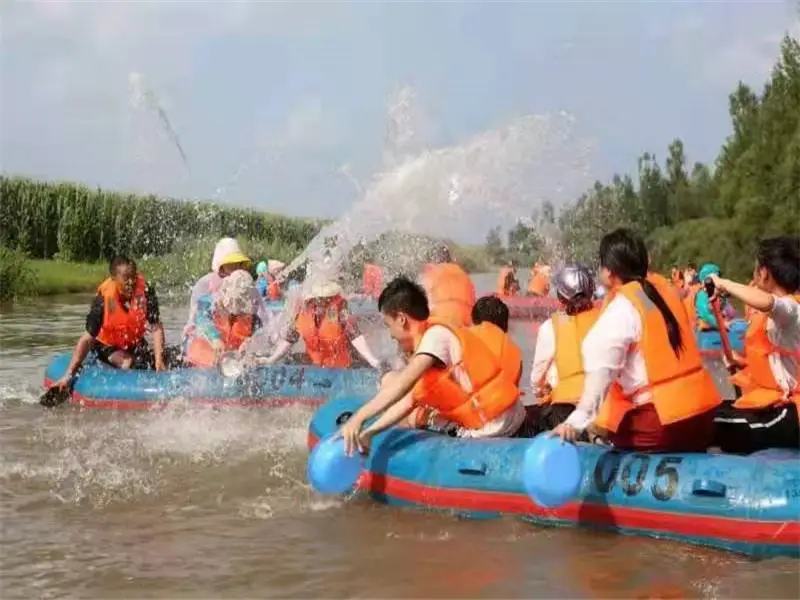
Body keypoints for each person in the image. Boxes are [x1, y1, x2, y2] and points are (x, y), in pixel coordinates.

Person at [551, 229, 721, 452]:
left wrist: (573, 423)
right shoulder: (665, 292)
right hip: (702, 418)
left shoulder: (621, 309)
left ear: (609, 272)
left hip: (662, 426)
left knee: (601, 425)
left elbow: (600, 378)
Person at [339, 277, 526, 454]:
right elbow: (408, 402)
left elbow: (404, 382)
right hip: (498, 417)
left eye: (388, 325)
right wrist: (370, 432)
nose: (390, 334)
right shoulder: (429, 337)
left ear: (401, 319)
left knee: (408, 401)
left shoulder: (436, 338)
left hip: (494, 426)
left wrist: (359, 418)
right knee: (412, 409)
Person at [711, 236, 800, 453]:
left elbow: (769, 303)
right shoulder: (783, 316)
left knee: (713, 425)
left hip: (791, 413)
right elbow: (781, 365)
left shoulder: (791, 309)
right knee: (710, 411)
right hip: (778, 404)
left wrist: (724, 284)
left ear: (765, 274)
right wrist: (738, 362)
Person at [48, 256, 169, 390]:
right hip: (106, 344)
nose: (131, 282)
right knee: (128, 363)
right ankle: (105, 367)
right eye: (126, 278)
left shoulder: (145, 292)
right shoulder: (103, 301)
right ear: (114, 278)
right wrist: (68, 375)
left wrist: (159, 360)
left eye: (133, 277)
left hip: (133, 341)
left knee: (153, 361)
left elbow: (156, 326)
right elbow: (87, 339)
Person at [530, 265, 601, 433]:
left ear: (560, 298)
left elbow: (536, 380)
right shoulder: (606, 317)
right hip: (603, 408)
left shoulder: (550, 327)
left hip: (565, 410)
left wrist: (543, 393)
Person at [262, 278, 382, 369]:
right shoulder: (303, 313)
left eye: (327, 298)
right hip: (315, 366)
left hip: (340, 366)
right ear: (311, 299)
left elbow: (355, 336)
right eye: (318, 299)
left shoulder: (339, 312)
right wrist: (271, 359)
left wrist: (373, 360)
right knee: (294, 358)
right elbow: (289, 339)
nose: (323, 301)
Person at [183, 238, 271, 341]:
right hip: (205, 338)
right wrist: (215, 339)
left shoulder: (243, 284)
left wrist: (255, 340)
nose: (236, 267)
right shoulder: (206, 286)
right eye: (231, 264)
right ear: (220, 267)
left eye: (239, 264)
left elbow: (260, 317)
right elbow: (200, 317)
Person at [184, 270, 264, 367]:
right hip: (202, 357)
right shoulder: (209, 304)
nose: (241, 313)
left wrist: (251, 343)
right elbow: (201, 319)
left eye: (243, 310)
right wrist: (215, 338)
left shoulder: (253, 316)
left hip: (231, 362)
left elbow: (259, 332)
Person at [418, 244, 476, 328]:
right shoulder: (464, 275)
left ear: (432, 261)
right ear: (449, 259)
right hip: (464, 327)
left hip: (439, 326)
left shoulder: (431, 273)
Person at [471, 296, 523, 385]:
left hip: (467, 396)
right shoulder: (515, 352)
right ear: (504, 324)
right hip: (501, 397)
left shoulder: (463, 339)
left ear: (474, 321)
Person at [684, 263, 734, 331]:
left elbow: (730, 312)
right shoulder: (702, 295)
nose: (718, 280)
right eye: (716, 278)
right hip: (705, 333)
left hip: (717, 330)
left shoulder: (718, 294)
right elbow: (705, 315)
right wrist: (722, 323)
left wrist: (725, 312)